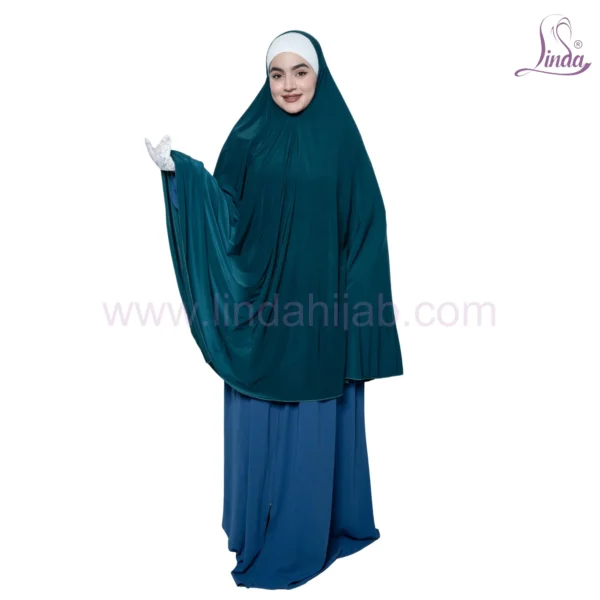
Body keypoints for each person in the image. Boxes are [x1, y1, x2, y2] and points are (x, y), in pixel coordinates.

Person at [145, 30, 403, 590]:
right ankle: (256, 527)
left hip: (319, 319)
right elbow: (225, 216)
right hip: (262, 317)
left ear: (319, 74)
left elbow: (366, 226)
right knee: (258, 418)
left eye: (299, 72)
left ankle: (303, 537)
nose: (288, 85)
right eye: (277, 74)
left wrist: (358, 321)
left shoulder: (340, 139)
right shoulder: (249, 135)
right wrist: (181, 174)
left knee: (312, 423)